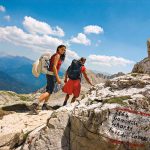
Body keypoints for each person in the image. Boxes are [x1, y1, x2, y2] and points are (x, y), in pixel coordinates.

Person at [30, 45, 66, 114]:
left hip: (49, 74)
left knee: (49, 90)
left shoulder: (55, 55)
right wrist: (58, 77)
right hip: (52, 75)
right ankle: (34, 104)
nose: (63, 51)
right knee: (49, 91)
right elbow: (54, 67)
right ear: (58, 49)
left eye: (64, 50)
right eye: (62, 49)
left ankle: (44, 105)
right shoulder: (57, 55)